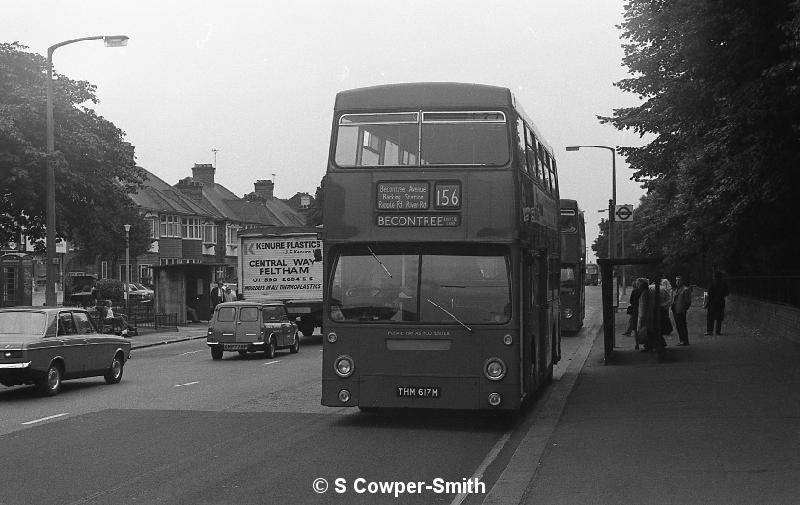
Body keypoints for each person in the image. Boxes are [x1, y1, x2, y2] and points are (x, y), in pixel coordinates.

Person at [705, 271, 729, 335]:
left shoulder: (712, 283)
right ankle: (718, 331)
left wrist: (708, 301)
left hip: (712, 302)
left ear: (714, 276)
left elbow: (709, 293)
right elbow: (727, 293)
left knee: (710, 316)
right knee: (719, 317)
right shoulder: (724, 283)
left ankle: (710, 331)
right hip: (721, 302)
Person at [671, 275, 692, 345]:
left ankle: (685, 340)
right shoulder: (676, 289)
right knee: (678, 326)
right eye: (676, 280)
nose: (677, 282)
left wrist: (684, 308)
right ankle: (681, 340)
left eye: (679, 280)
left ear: (682, 281)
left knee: (682, 326)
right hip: (675, 310)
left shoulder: (685, 289)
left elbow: (688, 301)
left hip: (681, 310)